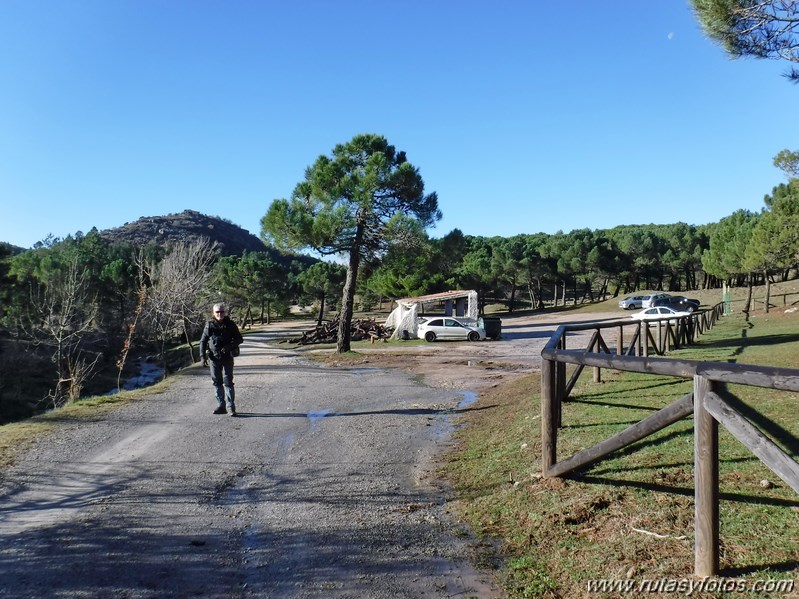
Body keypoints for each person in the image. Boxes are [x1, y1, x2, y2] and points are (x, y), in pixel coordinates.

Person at [199, 302, 243, 416]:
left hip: (227, 357)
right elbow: (203, 341)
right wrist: (202, 357)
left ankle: (231, 407)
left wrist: (230, 346)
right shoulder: (209, 325)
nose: (220, 314)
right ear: (213, 313)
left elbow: (239, 338)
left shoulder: (230, 324)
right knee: (217, 382)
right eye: (217, 312)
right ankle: (221, 406)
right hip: (214, 357)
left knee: (228, 382)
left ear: (225, 312)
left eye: (221, 311)